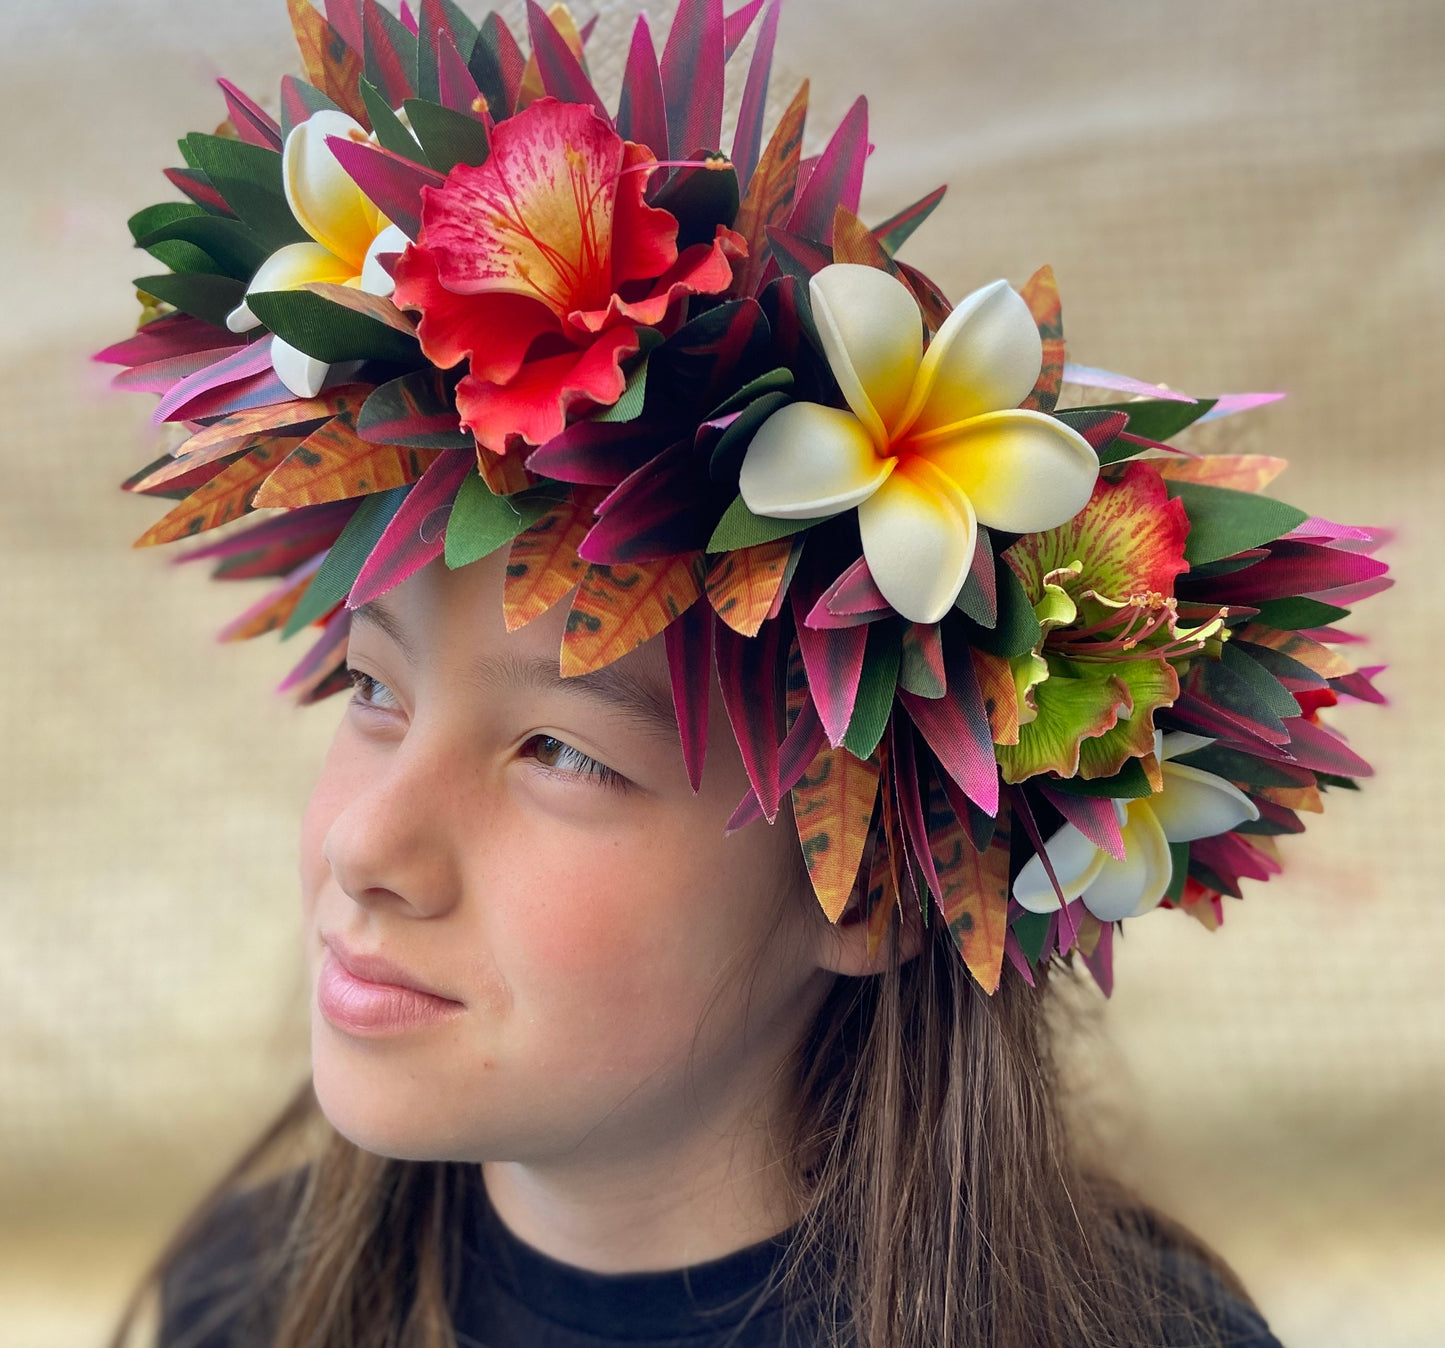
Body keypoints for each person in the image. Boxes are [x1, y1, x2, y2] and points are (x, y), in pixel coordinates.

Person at [96, 2, 1386, 1343]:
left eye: (562, 753)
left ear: (873, 880)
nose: (366, 845)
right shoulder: (245, 1304)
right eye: (375, 693)